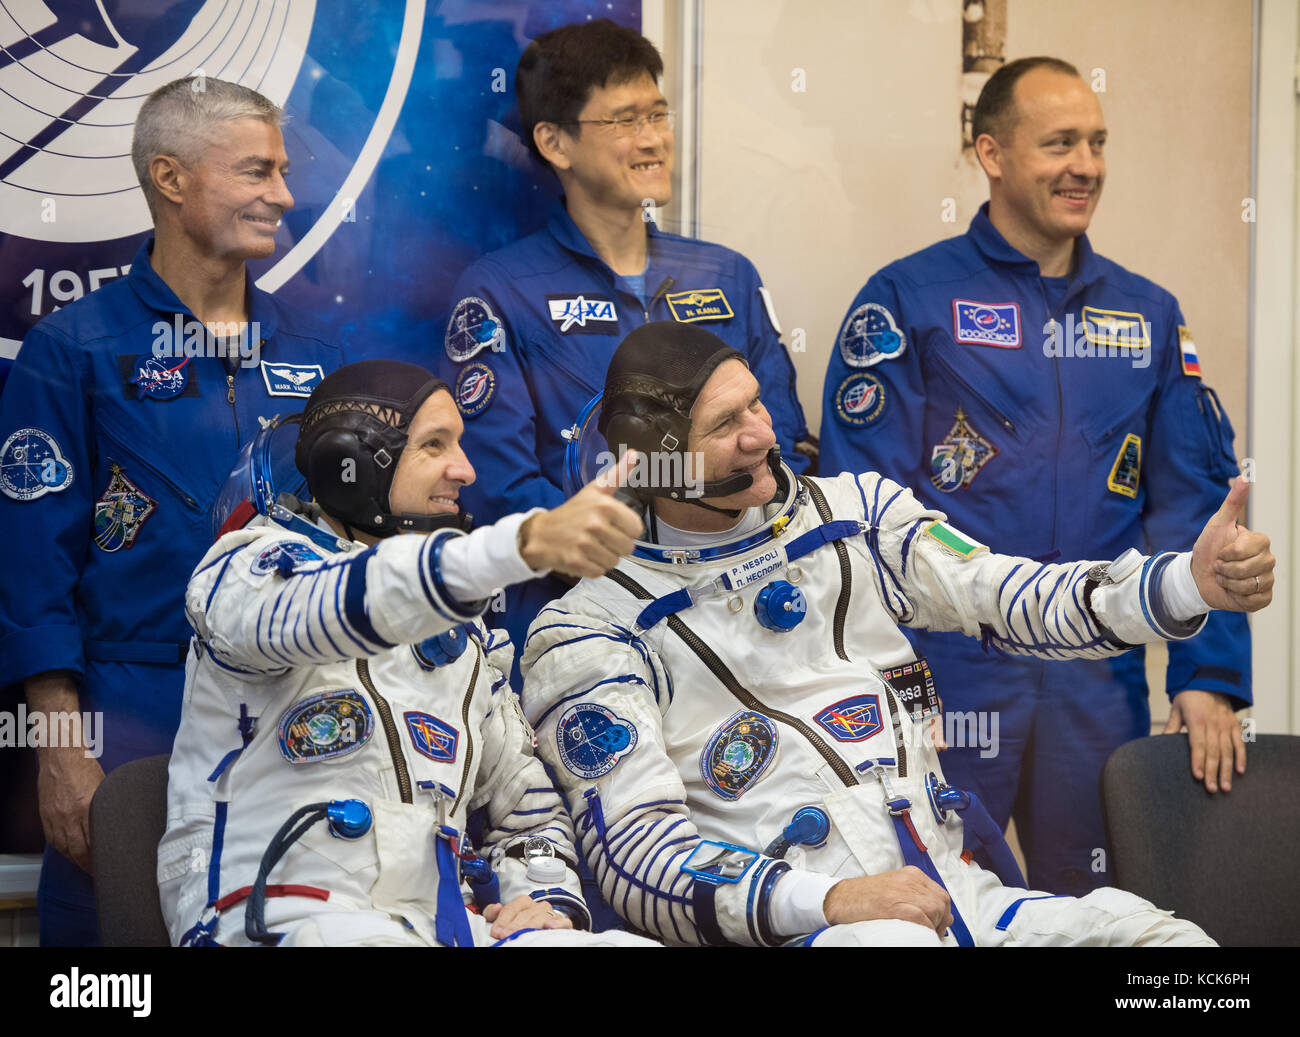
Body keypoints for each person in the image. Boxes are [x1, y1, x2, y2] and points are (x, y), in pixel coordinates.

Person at [519, 322, 1273, 946]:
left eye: (755, 405)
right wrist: (828, 899)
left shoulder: (857, 517)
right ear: (660, 461)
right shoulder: (591, 629)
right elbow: (637, 858)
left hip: (962, 901)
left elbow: (1012, 595)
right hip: (809, 928)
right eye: (724, 425)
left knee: (1172, 949)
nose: (759, 434)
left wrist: (1186, 584)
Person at [818, 57, 1250, 895]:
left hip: (1099, 676)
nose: (1085, 164)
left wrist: (1211, 679)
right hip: (945, 672)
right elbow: (858, 516)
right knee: (937, 899)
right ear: (992, 153)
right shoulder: (909, 300)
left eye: (1096, 142)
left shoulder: (1148, 315)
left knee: (1100, 904)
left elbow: (1195, 508)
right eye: (1059, 143)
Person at [0, 77, 345, 945]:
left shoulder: (314, 355)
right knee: (112, 966)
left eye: (283, 170)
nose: (283, 195)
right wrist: (63, 751)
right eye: (256, 172)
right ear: (171, 177)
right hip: (134, 707)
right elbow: (30, 571)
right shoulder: (72, 350)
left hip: (291, 706)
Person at [159, 360, 656, 947]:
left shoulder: (463, 637)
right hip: (279, 919)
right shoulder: (246, 573)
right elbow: (342, 604)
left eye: (461, 445)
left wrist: (538, 897)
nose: (465, 470)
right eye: (434, 446)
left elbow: (528, 807)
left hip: (436, 925)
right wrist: (519, 546)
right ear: (352, 463)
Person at [438, 18, 812, 672]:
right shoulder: (500, 291)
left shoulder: (726, 275)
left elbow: (782, 453)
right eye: (624, 121)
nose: (654, 140)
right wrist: (638, 564)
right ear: (555, 142)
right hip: (586, 631)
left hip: (740, 626)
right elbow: (497, 486)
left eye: (659, 114)